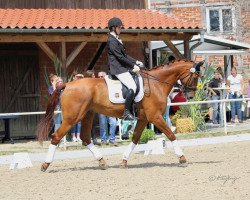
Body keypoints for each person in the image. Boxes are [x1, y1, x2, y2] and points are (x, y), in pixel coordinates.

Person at [107, 17, 144, 120]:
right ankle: (126, 112)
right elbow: (119, 57)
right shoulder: (112, 40)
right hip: (117, 69)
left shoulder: (116, 39)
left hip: (122, 67)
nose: (120, 29)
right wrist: (133, 66)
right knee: (132, 86)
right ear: (113, 28)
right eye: (119, 27)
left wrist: (136, 61)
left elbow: (125, 55)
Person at [98, 71, 118, 146]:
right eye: (99, 77)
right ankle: (103, 140)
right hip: (101, 108)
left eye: (101, 76)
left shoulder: (111, 85)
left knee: (113, 123)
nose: (100, 78)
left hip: (110, 107)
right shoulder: (97, 86)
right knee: (102, 124)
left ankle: (112, 139)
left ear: (105, 77)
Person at [48, 74, 65, 146]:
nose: (58, 82)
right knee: (57, 124)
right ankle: (56, 140)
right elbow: (54, 95)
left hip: (63, 107)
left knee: (63, 125)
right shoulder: (51, 88)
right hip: (56, 108)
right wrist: (54, 86)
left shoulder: (61, 88)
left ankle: (62, 141)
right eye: (56, 80)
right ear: (52, 82)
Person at [70, 72, 84, 142]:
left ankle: (78, 136)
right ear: (73, 77)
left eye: (79, 77)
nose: (78, 78)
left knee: (79, 122)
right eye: (76, 77)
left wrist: (82, 77)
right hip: (72, 106)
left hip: (80, 106)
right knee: (73, 122)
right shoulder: (71, 85)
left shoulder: (81, 85)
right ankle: (73, 136)